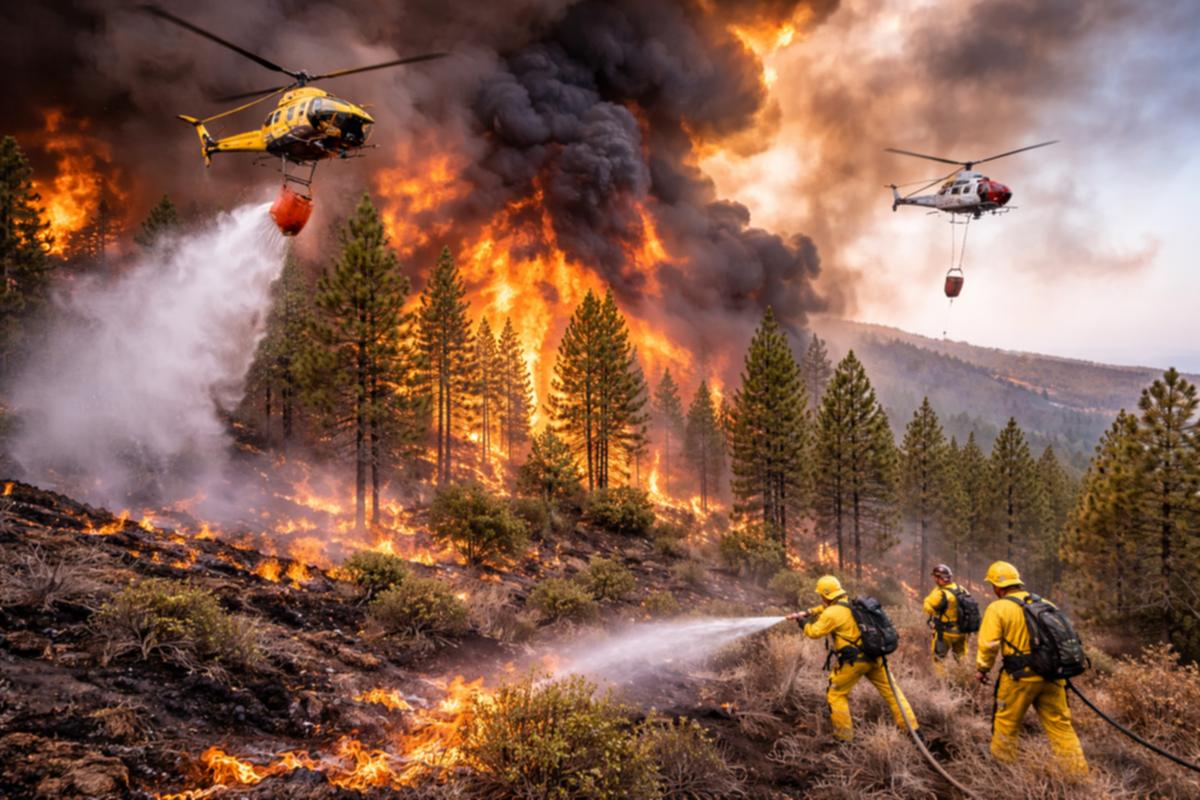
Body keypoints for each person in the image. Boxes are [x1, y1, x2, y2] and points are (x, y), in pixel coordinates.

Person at [974, 561, 1088, 777]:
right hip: (1053, 676)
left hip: (1019, 679)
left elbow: (988, 645)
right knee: (1061, 727)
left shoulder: (998, 608)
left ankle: (1003, 773)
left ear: (997, 587)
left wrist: (983, 668)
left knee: (1006, 722)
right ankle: (1077, 776)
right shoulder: (1044, 602)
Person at [787, 575, 918, 742]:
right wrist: (809, 612)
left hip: (855, 663)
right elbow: (825, 609)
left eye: (821, 594)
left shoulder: (832, 613)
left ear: (825, 595)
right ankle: (913, 731)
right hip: (875, 657)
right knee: (893, 693)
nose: (820, 597)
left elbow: (814, 632)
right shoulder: (851, 602)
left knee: (836, 694)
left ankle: (843, 738)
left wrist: (802, 622)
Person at [923, 563, 968, 676]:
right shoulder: (961, 589)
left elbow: (928, 608)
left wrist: (928, 599)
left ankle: (941, 684)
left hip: (945, 633)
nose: (934, 579)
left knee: (939, 659)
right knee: (961, 658)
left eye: (935, 577)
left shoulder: (940, 593)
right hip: (962, 632)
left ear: (939, 578)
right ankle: (966, 678)